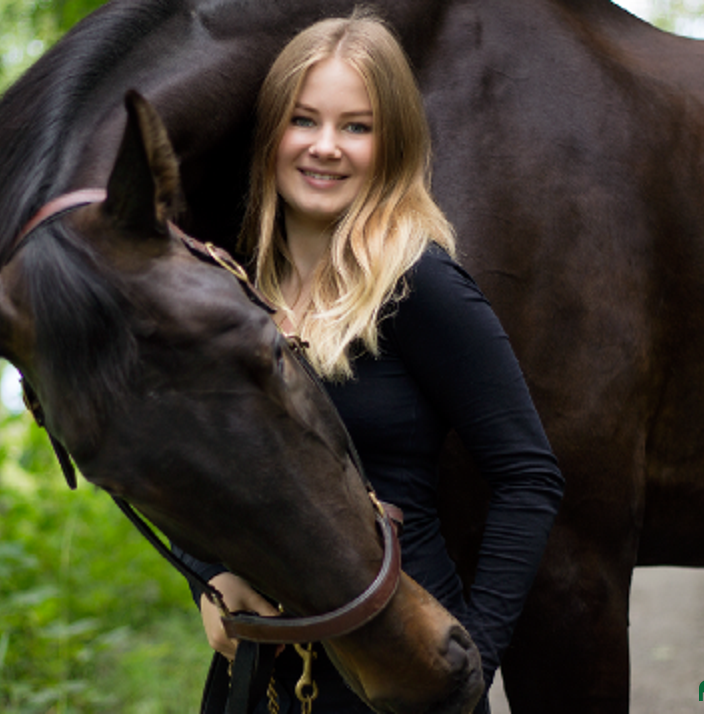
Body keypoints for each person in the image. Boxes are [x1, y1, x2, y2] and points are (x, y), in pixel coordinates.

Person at [179, 10, 564, 713]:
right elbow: (189, 465)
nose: (326, 147)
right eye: (305, 120)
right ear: (270, 133)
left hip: (400, 676)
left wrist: (473, 655)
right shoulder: (231, 290)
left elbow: (528, 475)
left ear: (391, 146)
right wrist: (209, 573)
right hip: (259, 676)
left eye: (356, 126)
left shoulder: (418, 284)